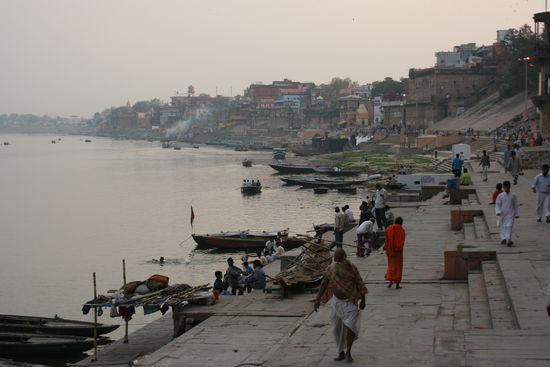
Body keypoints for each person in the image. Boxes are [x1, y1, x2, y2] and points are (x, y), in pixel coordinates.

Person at [314, 249, 367, 362]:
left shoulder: (352, 268)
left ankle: (348, 352)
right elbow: (324, 283)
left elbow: (360, 283)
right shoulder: (331, 268)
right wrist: (318, 299)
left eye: (340, 259)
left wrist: (363, 300)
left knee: (351, 326)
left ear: (345, 257)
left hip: (351, 301)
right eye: (335, 259)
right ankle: (341, 352)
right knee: (336, 329)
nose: (337, 261)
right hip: (336, 302)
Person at [383, 217, 406, 289]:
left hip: (391, 251)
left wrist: (386, 247)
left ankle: (390, 281)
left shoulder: (390, 228)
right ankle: (397, 284)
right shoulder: (402, 230)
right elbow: (402, 241)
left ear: (395, 222)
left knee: (391, 266)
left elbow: (387, 239)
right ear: (401, 223)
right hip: (399, 252)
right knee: (399, 268)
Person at [495, 181, 519, 247]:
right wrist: (498, 211)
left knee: (509, 226)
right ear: (503, 187)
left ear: (509, 187)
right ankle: (503, 238)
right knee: (503, 226)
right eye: (505, 187)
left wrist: (517, 213)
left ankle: (508, 239)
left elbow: (515, 205)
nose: (506, 188)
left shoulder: (513, 195)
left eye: (507, 187)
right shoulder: (500, 196)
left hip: (510, 213)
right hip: (502, 213)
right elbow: (497, 204)